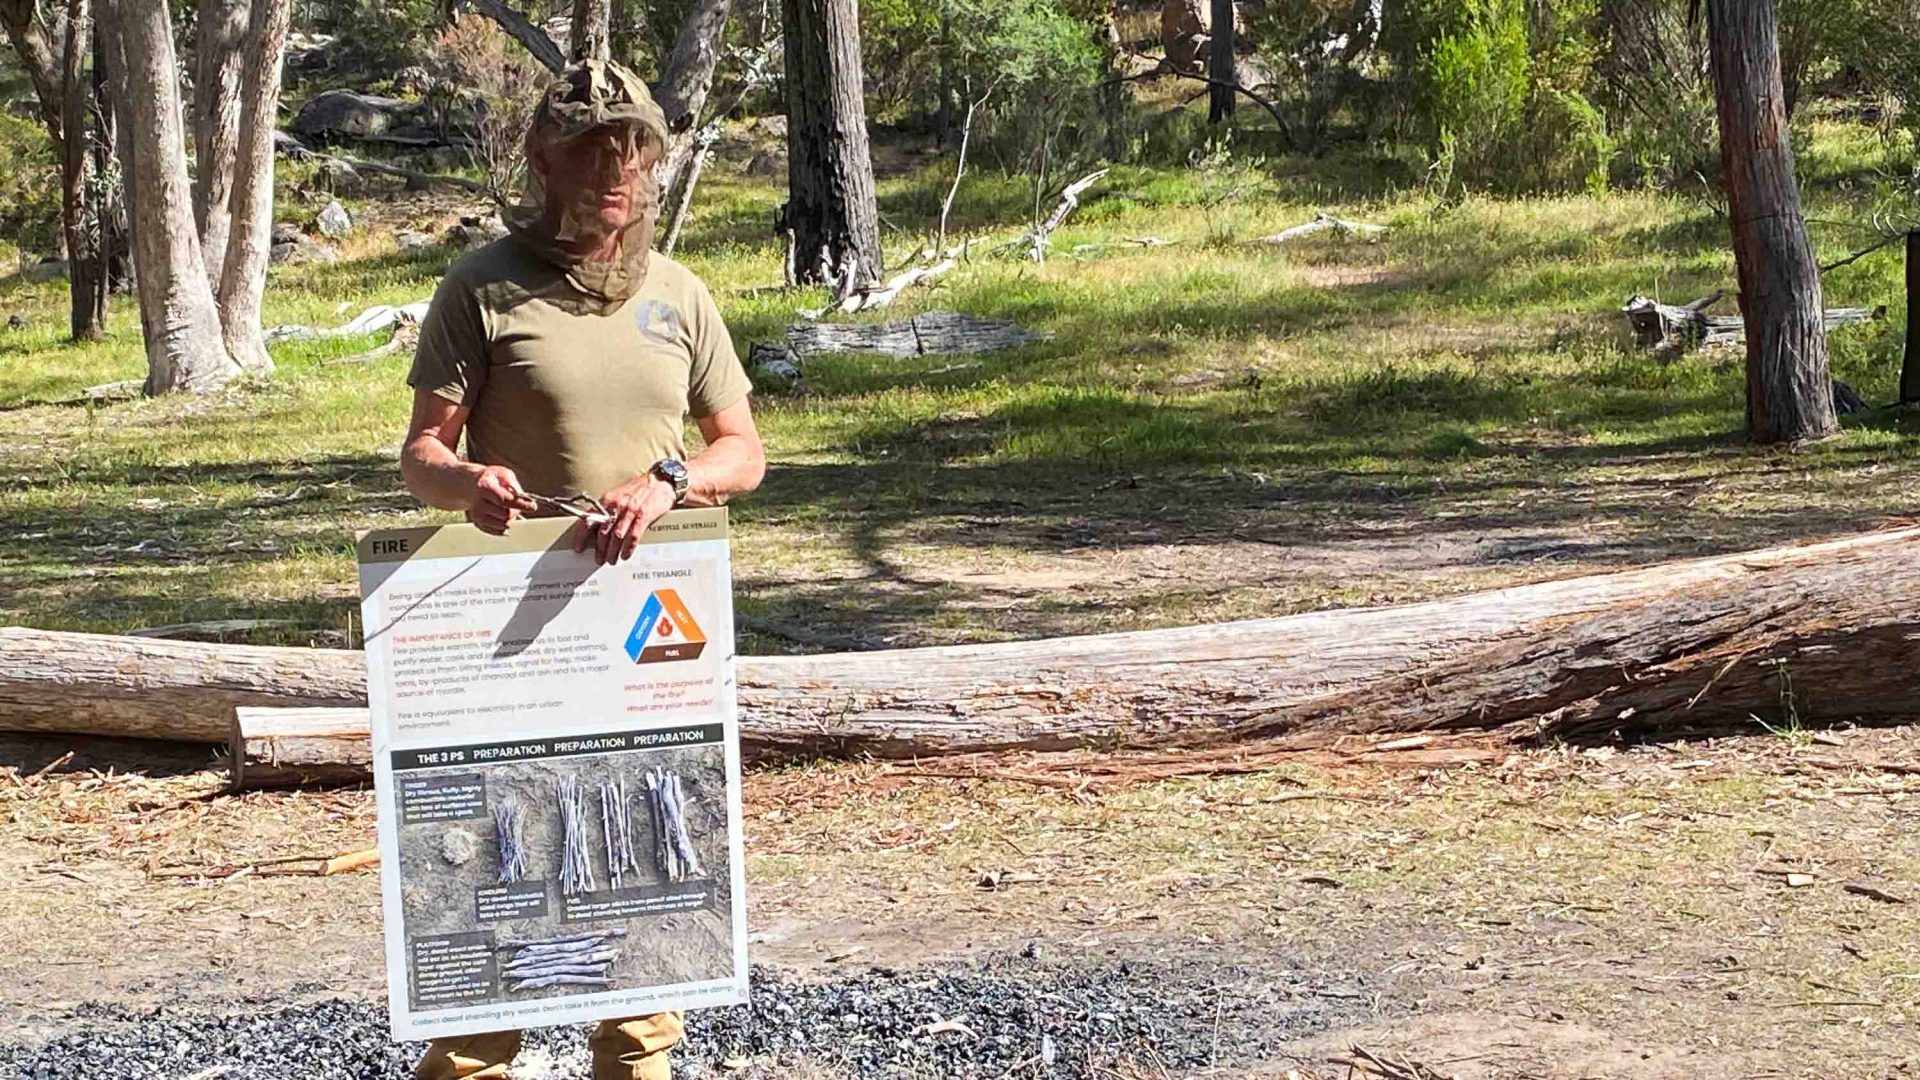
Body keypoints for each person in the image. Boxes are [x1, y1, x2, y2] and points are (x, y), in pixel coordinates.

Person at [398, 59, 765, 1080]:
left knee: (647, 918)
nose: (617, 167)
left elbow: (745, 451)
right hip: (507, 644)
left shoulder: (681, 296)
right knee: (488, 925)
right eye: (593, 147)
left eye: (634, 148)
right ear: (542, 158)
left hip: (645, 646)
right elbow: (418, 457)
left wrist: (674, 481)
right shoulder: (482, 288)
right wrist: (469, 481)